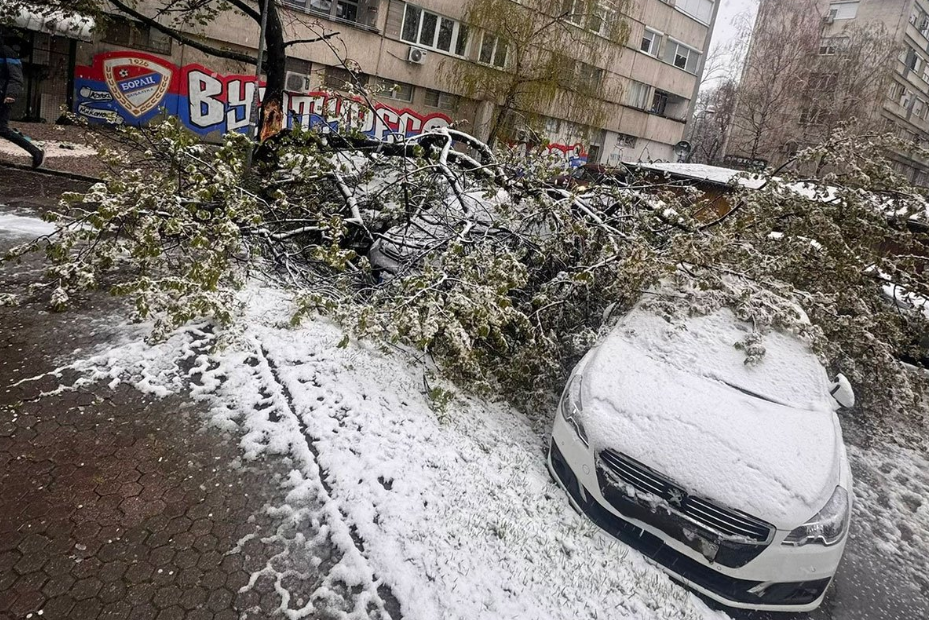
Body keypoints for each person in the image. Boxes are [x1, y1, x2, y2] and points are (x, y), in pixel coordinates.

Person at [0, 31, 44, 168]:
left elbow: (16, 78)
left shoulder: (7, 53)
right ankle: (36, 152)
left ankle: (36, 152)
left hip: (3, 97)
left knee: (2, 129)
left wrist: (10, 95)